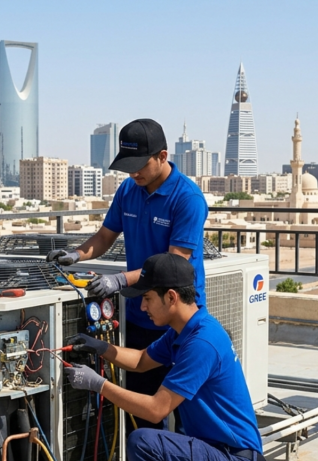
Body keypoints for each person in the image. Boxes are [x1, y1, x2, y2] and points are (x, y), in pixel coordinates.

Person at [64, 253, 268, 461]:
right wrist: (101, 347)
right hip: (215, 452)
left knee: (145, 442)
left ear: (170, 297)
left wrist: (98, 385)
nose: (142, 307)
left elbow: (157, 410)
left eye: (147, 298)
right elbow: (143, 360)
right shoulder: (183, 330)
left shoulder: (201, 342)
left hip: (233, 460)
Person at [47, 119, 208, 429]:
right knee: (141, 405)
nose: (134, 173)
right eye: (129, 166)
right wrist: (76, 254)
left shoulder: (187, 199)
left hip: (178, 317)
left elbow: (171, 264)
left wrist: (119, 280)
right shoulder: (129, 190)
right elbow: (106, 236)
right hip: (141, 313)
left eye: (140, 165)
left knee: (185, 410)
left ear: (162, 156)